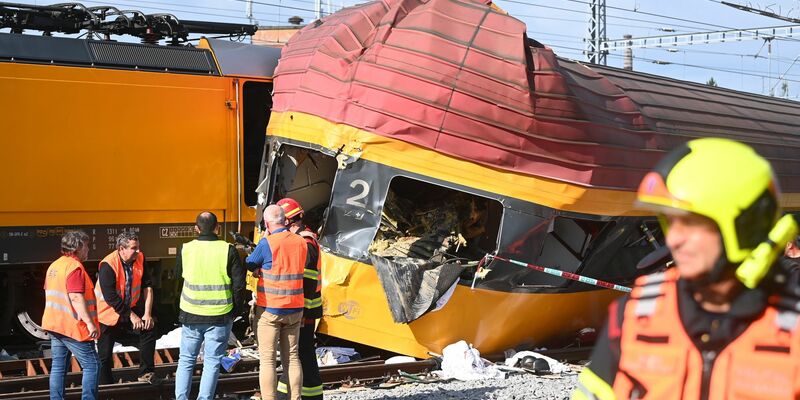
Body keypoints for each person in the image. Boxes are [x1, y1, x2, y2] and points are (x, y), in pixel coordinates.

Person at [573, 138, 800, 399]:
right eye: (670, 223)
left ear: (745, 226)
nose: (673, 240)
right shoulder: (635, 317)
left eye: (690, 224)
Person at [174, 212, 246, 400]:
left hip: (190, 314)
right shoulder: (228, 250)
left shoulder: (186, 248)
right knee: (212, 362)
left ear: (196, 229)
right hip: (220, 316)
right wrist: (235, 311)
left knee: (186, 360)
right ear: (218, 228)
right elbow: (239, 285)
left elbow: (176, 279)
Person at [247, 205, 307, 400]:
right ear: (286, 220)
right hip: (295, 308)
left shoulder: (267, 243)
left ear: (266, 223)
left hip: (271, 310)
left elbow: (250, 262)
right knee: (292, 357)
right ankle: (295, 397)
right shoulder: (301, 242)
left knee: (267, 361)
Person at [43, 230, 100, 400]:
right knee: (93, 365)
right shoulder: (74, 268)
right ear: (78, 247)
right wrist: (90, 324)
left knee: (59, 366)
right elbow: (75, 297)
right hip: (72, 326)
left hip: (55, 324)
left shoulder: (55, 266)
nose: (88, 250)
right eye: (86, 246)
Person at [275, 198, 323, 400]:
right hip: (299, 309)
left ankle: (311, 396)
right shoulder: (300, 240)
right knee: (293, 354)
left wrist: (301, 311)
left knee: (302, 353)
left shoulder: (306, 242)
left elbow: (308, 281)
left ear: (288, 221)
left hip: (305, 310)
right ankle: (286, 394)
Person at [95, 232, 159, 385]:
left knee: (149, 329)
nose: (138, 251)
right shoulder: (108, 265)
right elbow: (111, 297)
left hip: (129, 307)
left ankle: (146, 373)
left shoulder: (140, 258)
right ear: (121, 249)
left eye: (138, 248)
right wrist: (132, 316)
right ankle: (106, 385)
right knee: (104, 355)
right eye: (133, 248)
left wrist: (147, 314)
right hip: (108, 312)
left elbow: (147, 286)